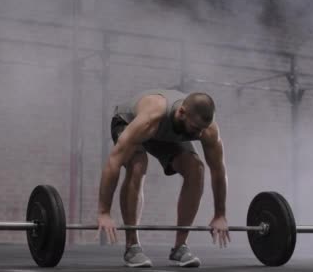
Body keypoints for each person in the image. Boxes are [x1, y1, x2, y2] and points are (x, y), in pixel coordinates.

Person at [96, 88, 229, 268]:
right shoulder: (151, 117)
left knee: (196, 168)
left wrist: (220, 214)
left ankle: (180, 247)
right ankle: (132, 246)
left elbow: (218, 170)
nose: (199, 135)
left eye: (203, 129)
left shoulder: (207, 129)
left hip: (164, 134)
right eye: (196, 129)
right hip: (129, 122)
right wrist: (104, 212)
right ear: (181, 113)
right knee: (138, 164)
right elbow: (114, 162)